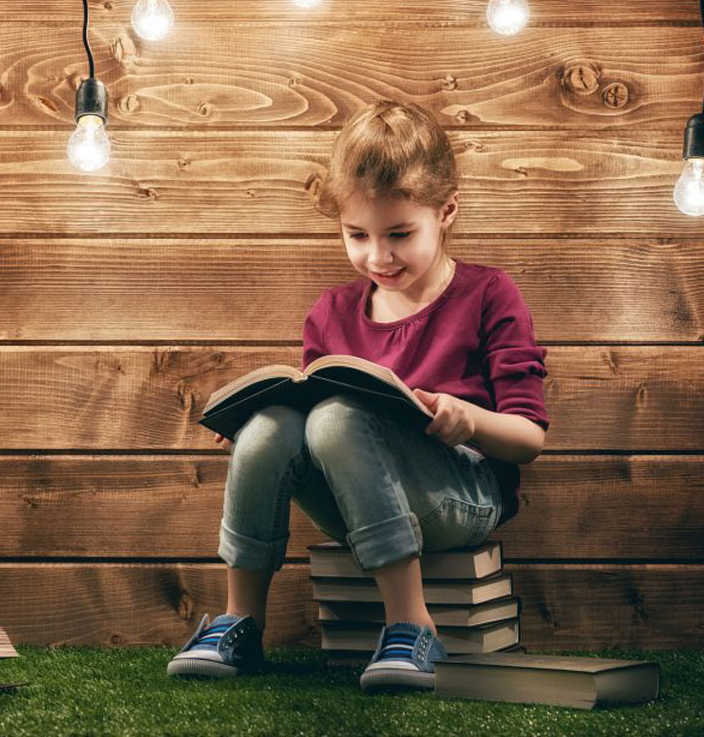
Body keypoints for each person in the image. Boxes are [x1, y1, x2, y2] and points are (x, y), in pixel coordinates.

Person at [167, 99, 549, 692]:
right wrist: (249, 424)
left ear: (446, 211)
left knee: (340, 417)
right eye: (357, 235)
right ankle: (240, 620)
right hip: (356, 500)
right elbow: (304, 419)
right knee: (274, 421)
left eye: (400, 234)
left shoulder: (488, 295)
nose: (379, 256)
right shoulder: (332, 312)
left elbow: (529, 439)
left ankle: (410, 621)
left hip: (463, 495)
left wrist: (466, 420)